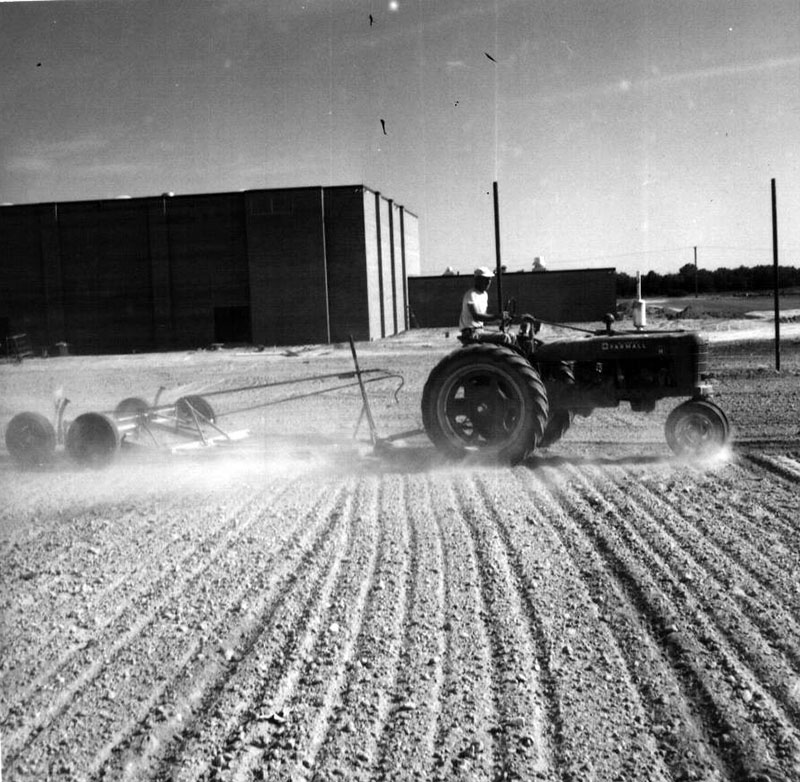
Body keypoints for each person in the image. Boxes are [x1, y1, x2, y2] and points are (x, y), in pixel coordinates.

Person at [458, 266, 514, 346]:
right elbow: (476, 316)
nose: (489, 282)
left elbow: (483, 319)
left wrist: (500, 321)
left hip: (480, 330)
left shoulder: (484, 295)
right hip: (471, 334)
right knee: (504, 337)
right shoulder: (471, 295)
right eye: (486, 279)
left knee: (512, 335)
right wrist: (497, 316)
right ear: (478, 280)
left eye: (490, 279)